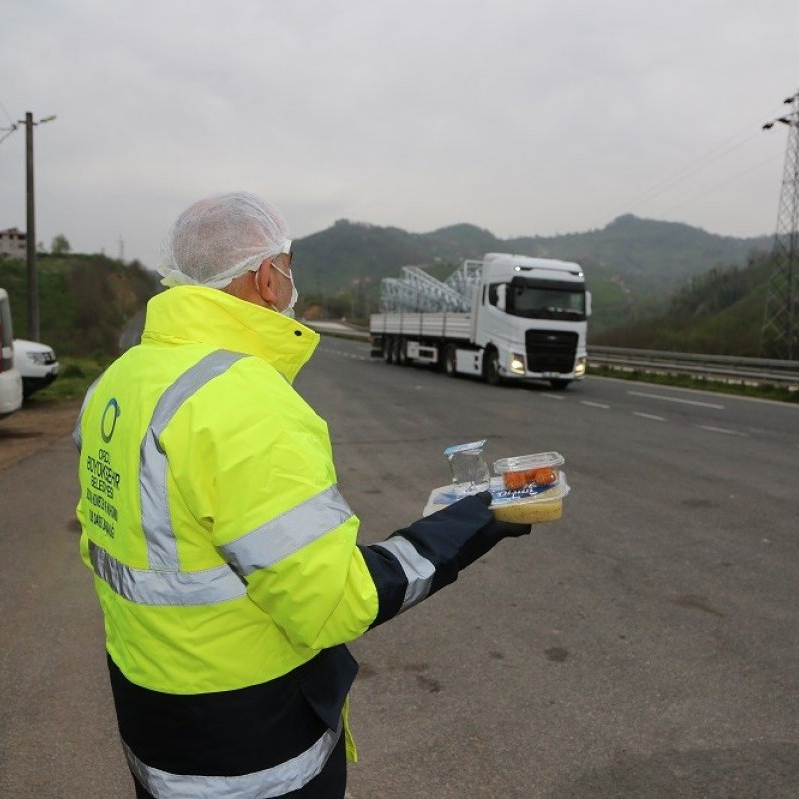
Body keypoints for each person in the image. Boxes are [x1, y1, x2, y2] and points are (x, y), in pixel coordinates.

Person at [73, 191, 531, 799]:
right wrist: (472, 522)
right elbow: (332, 601)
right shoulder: (243, 399)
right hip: (250, 747)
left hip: (153, 719)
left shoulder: (122, 378)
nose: (289, 283)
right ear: (267, 277)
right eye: (288, 268)